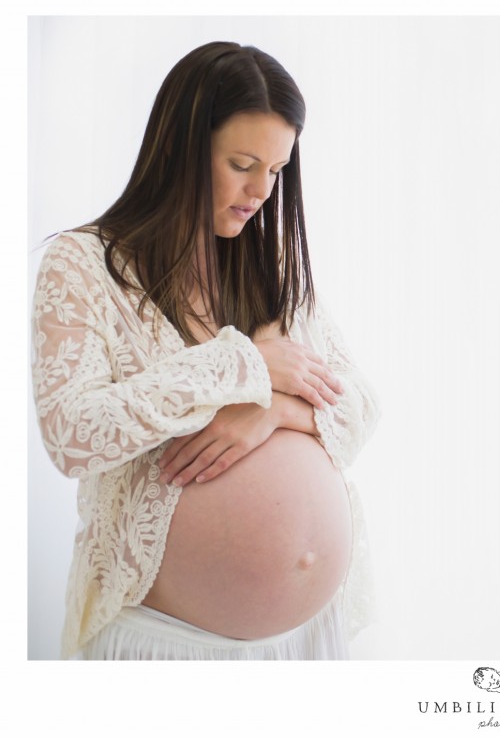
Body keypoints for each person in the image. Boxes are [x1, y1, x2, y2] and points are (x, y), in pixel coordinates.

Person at [30, 41, 381, 660]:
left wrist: (272, 411)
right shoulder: (82, 265)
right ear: (179, 149)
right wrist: (245, 365)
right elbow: (73, 435)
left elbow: (359, 402)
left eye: (276, 170)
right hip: (165, 643)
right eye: (243, 163)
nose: (261, 191)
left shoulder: (266, 262)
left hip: (305, 637)